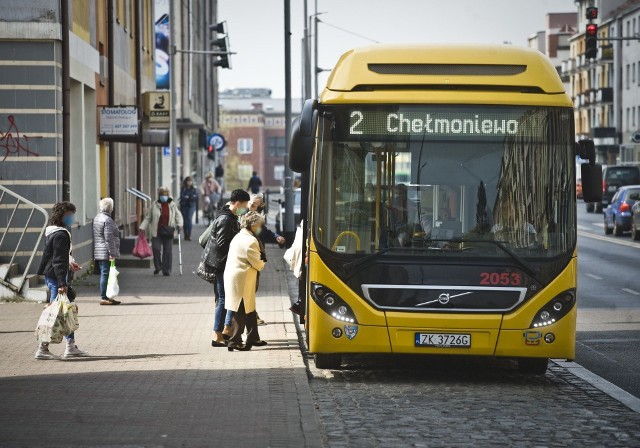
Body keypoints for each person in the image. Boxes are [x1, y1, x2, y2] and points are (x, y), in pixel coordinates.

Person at [35, 202, 88, 359]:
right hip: (57, 277)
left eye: (72, 214)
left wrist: (70, 262)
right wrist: (62, 283)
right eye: (68, 215)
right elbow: (57, 260)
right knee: (55, 314)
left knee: (65, 312)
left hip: (57, 276)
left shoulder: (56, 232)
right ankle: (43, 348)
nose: (71, 218)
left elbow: (58, 256)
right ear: (60, 216)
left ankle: (70, 347)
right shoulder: (60, 235)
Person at [204, 189, 250, 347]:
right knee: (224, 299)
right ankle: (217, 334)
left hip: (225, 264)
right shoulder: (226, 219)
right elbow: (222, 244)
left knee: (229, 299)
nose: (245, 208)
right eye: (244, 205)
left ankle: (226, 329)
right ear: (237, 203)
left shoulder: (230, 217)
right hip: (222, 265)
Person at [225, 211, 267, 351]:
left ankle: (253, 337)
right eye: (260, 224)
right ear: (254, 225)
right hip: (242, 278)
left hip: (237, 276)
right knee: (241, 309)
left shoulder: (239, 236)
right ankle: (234, 341)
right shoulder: (250, 241)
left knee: (249, 308)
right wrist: (262, 264)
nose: (261, 227)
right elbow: (257, 262)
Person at [249, 193, 285, 325]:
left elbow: (263, 232)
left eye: (259, 206)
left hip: (255, 258)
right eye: (253, 205)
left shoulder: (257, 217)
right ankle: (251, 317)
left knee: (252, 288)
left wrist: (276, 237)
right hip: (246, 258)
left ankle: (251, 315)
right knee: (249, 288)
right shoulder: (243, 216)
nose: (256, 208)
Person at [140, 187, 183, 276]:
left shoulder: (172, 205)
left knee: (167, 251)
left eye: (165, 195)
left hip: (168, 231)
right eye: (162, 195)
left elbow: (178, 216)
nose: (164, 196)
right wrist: (142, 227)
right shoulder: (154, 205)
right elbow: (148, 218)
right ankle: (158, 267)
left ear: (168, 195)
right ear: (159, 196)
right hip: (157, 231)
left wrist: (180, 224)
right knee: (156, 249)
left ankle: (166, 270)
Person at [93, 198, 121, 305]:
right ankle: (104, 297)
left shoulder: (97, 218)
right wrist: (112, 253)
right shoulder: (107, 220)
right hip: (106, 252)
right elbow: (108, 238)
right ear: (110, 208)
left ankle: (108, 296)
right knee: (106, 274)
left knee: (105, 274)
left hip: (99, 251)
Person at [179, 176, 199, 241]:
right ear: (186, 181)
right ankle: (185, 234)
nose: (189, 182)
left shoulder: (194, 189)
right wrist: (189, 197)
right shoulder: (183, 188)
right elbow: (182, 197)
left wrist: (188, 197)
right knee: (185, 220)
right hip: (184, 206)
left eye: (190, 181)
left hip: (191, 206)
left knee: (189, 219)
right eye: (188, 181)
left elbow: (195, 197)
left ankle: (189, 235)